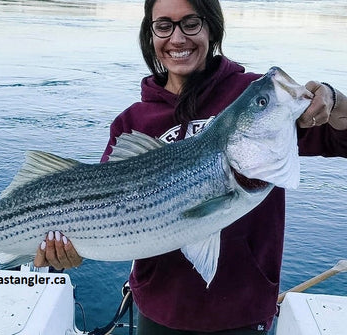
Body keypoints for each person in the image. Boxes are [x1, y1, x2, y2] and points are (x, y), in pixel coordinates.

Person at [34, 0, 347, 333]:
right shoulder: (132, 122)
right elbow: (101, 207)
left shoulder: (253, 98)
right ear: (150, 35)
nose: (178, 38)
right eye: (164, 25)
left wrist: (332, 96)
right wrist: (70, 248)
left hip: (243, 311)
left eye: (191, 23)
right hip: (158, 309)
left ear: (211, 28)